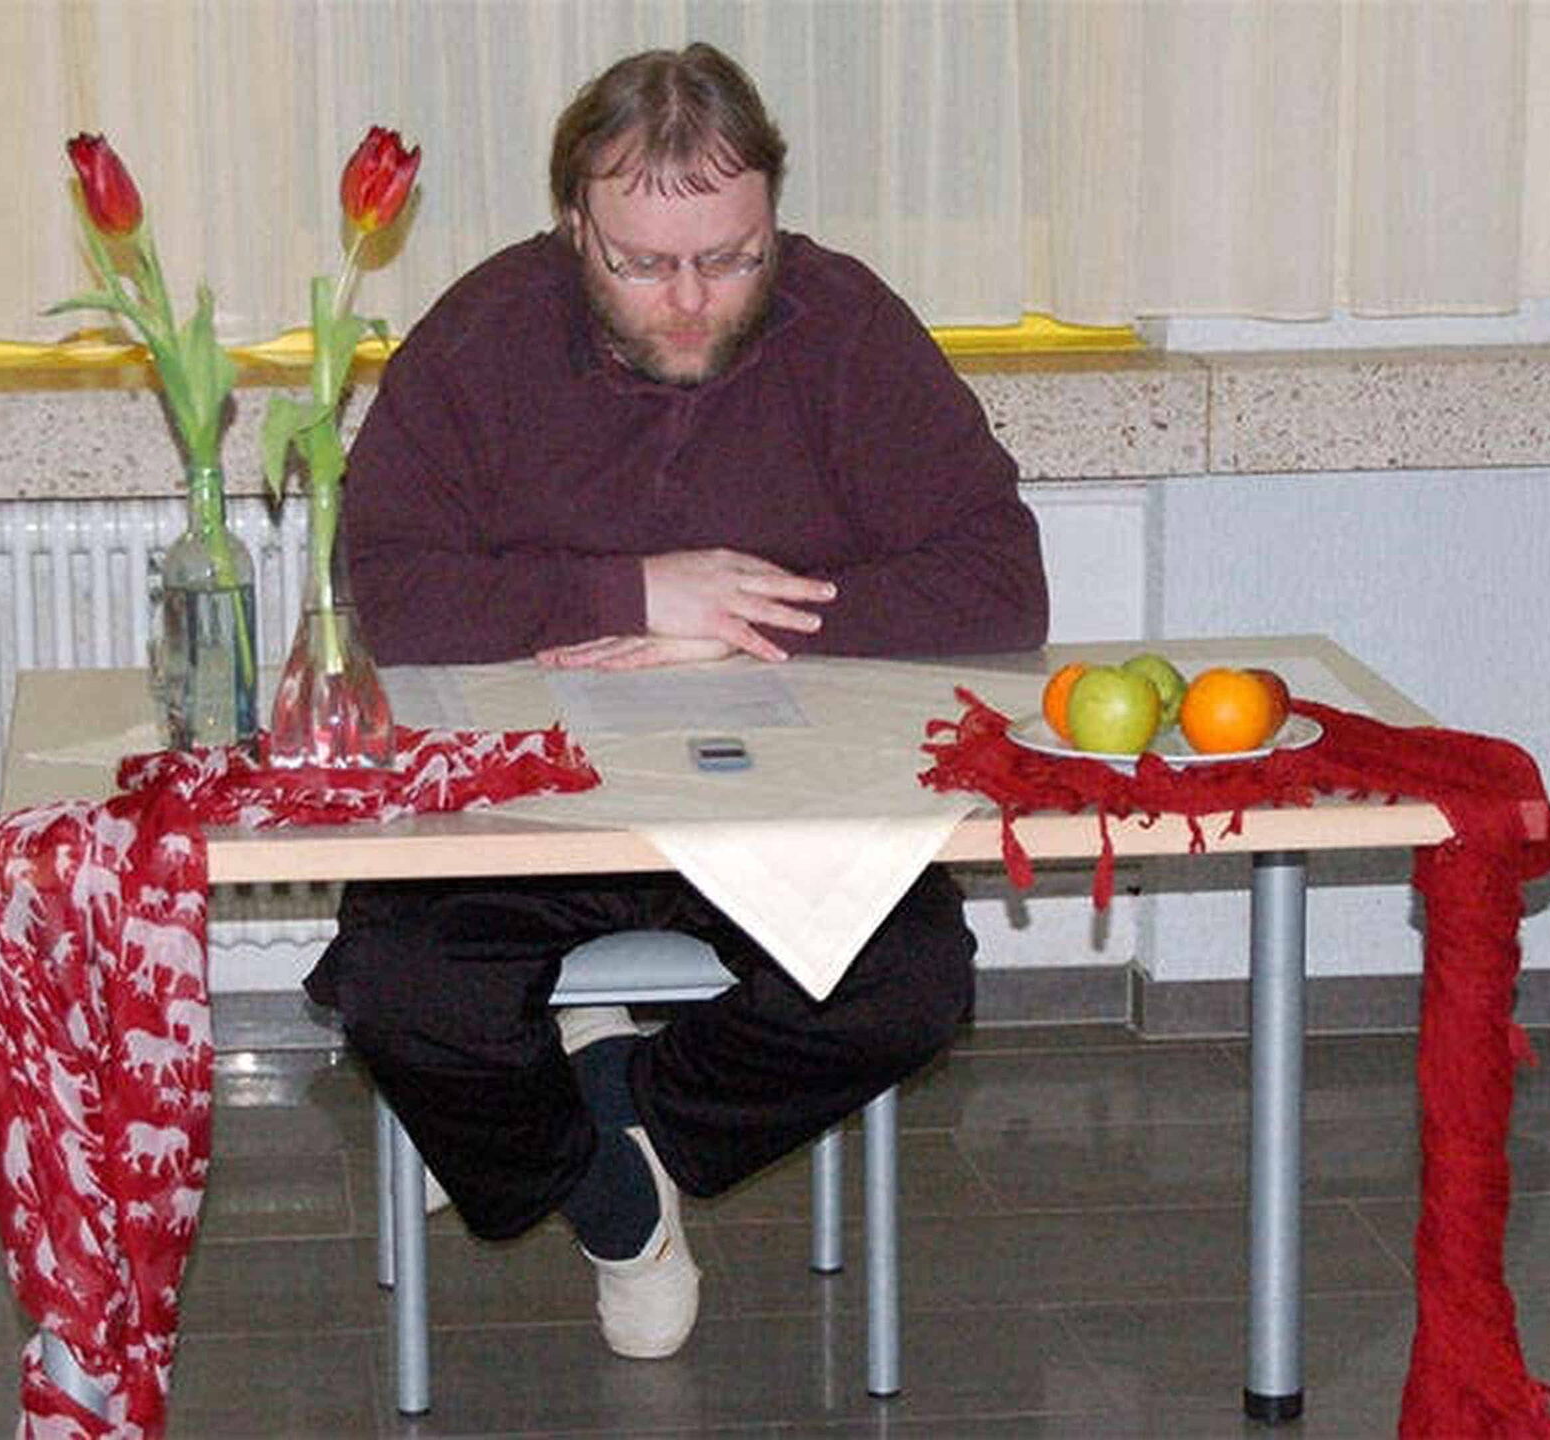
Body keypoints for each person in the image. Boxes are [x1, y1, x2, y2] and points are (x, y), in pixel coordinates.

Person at [305, 42, 1048, 1361]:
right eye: (645, 264)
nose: (694, 299)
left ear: (774, 220)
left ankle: (613, 1109)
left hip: (785, 797)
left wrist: (744, 624)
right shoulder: (483, 334)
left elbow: (1000, 583)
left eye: (732, 258)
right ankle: (614, 1198)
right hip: (525, 799)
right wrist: (637, 591)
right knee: (401, 998)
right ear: (572, 225)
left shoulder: (845, 327)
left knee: (912, 986)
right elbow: (395, 594)